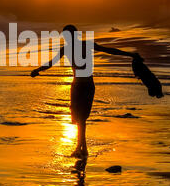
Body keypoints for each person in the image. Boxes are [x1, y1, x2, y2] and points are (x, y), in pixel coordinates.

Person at [31, 25, 141, 158]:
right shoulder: (70, 48)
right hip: (79, 85)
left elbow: (109, 50)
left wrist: (130, 54)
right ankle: (82, 148)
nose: (66, 39)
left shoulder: (82, 46)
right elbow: (51, 62)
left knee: (81, 118)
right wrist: (38, 70)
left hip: (84, 85)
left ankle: (81, 148)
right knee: (79, 119)